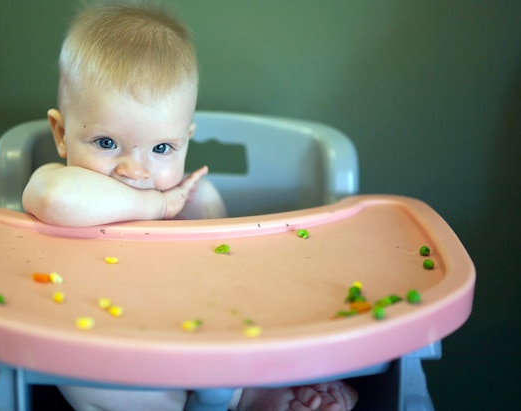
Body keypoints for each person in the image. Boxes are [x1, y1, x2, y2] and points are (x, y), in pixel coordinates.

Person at [22, 2, 358, 411]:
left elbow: (223, 277)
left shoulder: (194, 200)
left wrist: (185, 209)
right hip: (105, 346)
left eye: (162, 148)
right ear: (61, 133)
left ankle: (254, 392)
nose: (135, 170)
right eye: (106, 143)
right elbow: (58, 200)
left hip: (196, 338)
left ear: (186, 139)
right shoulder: (57, 183)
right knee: (86, 377)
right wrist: (157, 205)